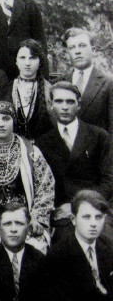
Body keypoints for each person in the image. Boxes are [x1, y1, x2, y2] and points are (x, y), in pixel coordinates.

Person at [35, 82, 113, 240]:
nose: (65, 107)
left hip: (95, 207)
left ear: (79, 105)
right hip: (61, 212)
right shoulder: (43, 142)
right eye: (59, 101)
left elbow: (109, 180)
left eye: (70, 102)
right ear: (50, 105)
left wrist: (78, 206)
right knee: (64, 246)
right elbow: (44, 186)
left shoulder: (99, 136)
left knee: (104, 243)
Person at [47, 190, 113, 301]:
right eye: (86, 217)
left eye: (98, 217)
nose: (93, 224)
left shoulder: (109, 246)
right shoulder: (60, 253)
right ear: (74, 220)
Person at [0, 101, 55, 254]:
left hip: (25, 214)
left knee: (34, 251)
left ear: (14, 120)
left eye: (6, 119)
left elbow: (46, 186)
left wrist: (38, 218)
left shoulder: (30, 151)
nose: (1, 124)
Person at [59, 28, 113, 133]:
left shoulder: (109, 83)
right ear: (68, 53)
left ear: (93, 50)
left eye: (82, 46)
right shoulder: (59, 83)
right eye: (72, 47)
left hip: (98, 148)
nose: (77, 51)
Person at [9, 39, 53, 140]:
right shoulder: (6, 89)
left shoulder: (49, 89)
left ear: (40, 61)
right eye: (22, 58)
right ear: (16, 61)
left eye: (32, 58)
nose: (27, 63)